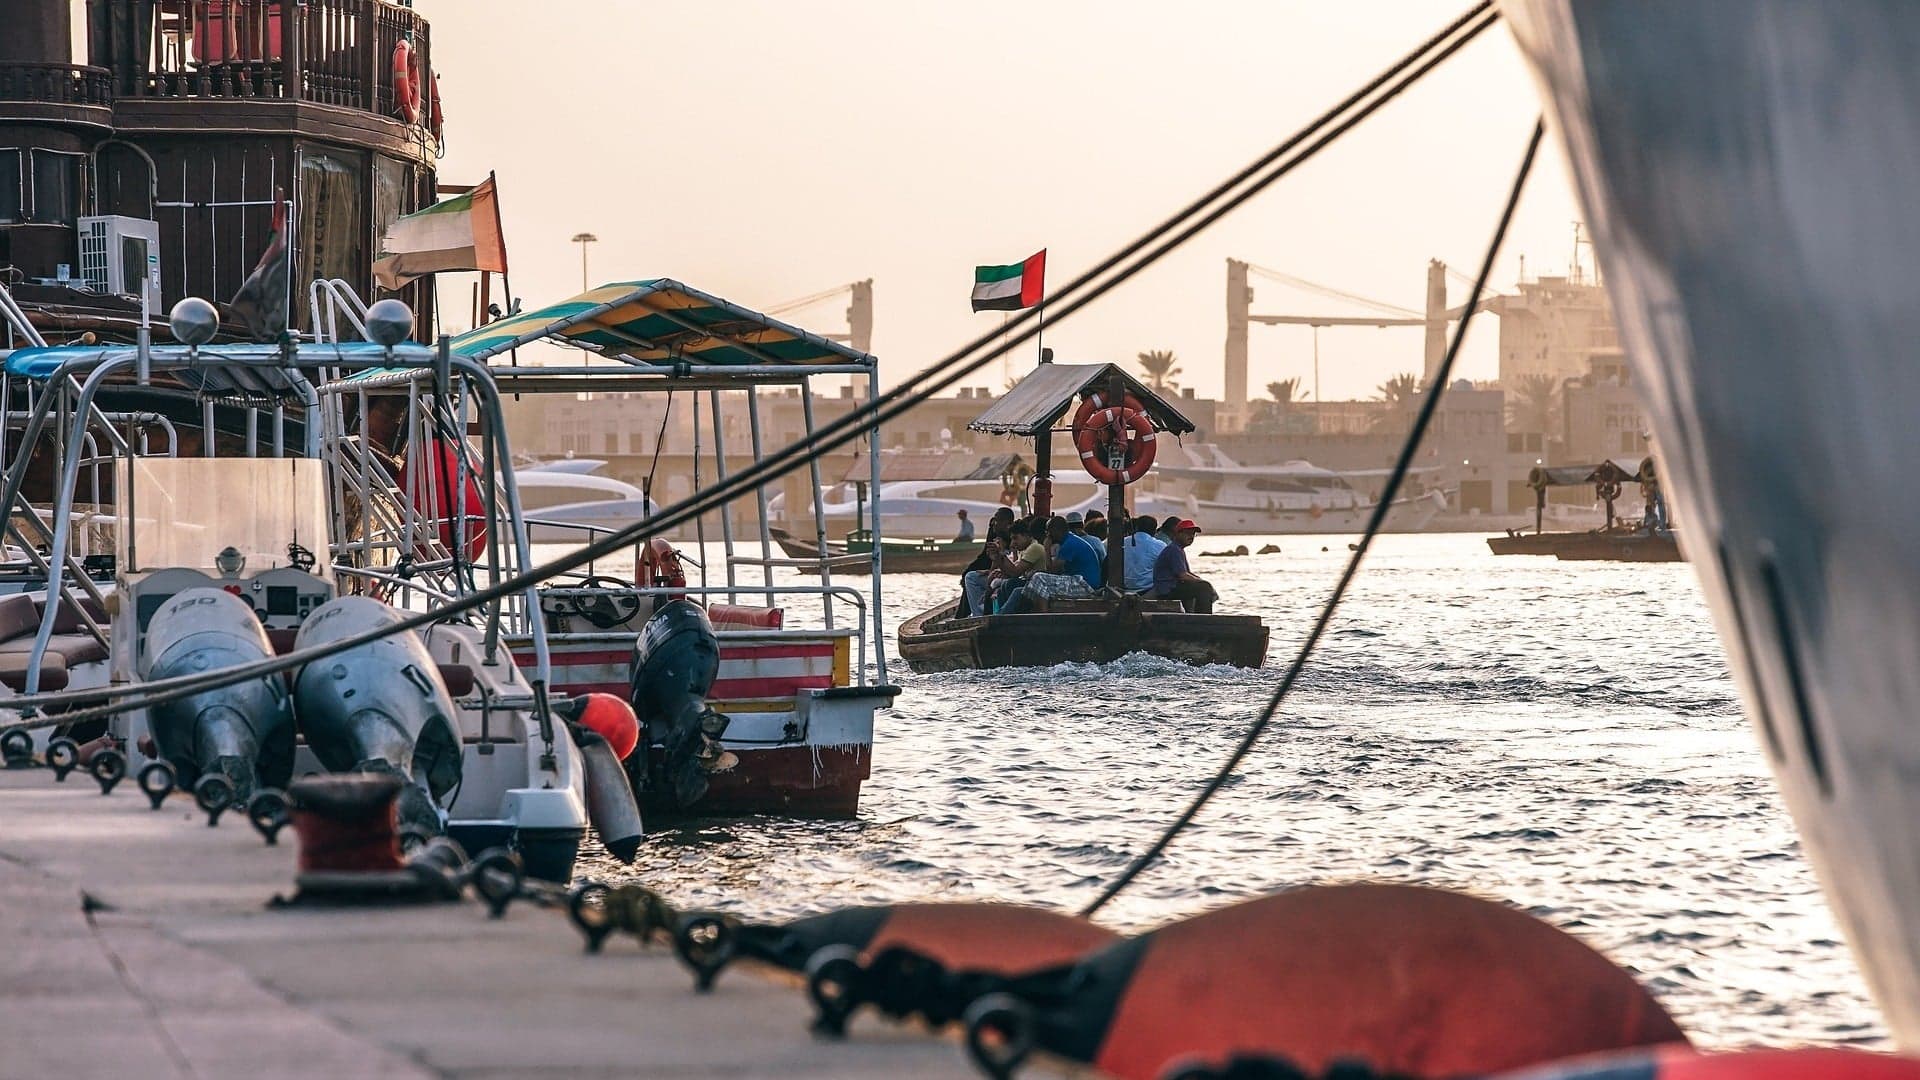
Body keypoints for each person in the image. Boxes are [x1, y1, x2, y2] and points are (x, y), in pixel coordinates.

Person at [955, 507, 1015, 616]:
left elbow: (1013, 564)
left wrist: (994, 566)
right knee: (969, 576)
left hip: (1007, 574)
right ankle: (974, 613)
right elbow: (985, 557)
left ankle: (977, 614)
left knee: (972, 578)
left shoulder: (1014, 538)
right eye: (994, 521)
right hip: (995, 570)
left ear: (1008, 523)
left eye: (999, 521)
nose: (995, 524)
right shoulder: (994, 533)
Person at [1151, 519, 1218, 613]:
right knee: (1204, 588)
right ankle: (1203, 618)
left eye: (1193, 534)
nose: (1191, 537)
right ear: (1178, 534)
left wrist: (1202, 581)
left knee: (1203, 585)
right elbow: (1183, 575)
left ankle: (1198, 616)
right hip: (1167, 590)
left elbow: (1188, 573)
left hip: (1171, 587)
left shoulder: (1178, 549)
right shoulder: (1174, 550)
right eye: (1188, 533)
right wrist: (1205, 584)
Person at [1121, 515, 1167, 593]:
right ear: (1154, 531)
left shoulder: (1122, 542)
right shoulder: (1160, 545)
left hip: (1123, 589)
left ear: (1136, 528)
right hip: (1148, 590)